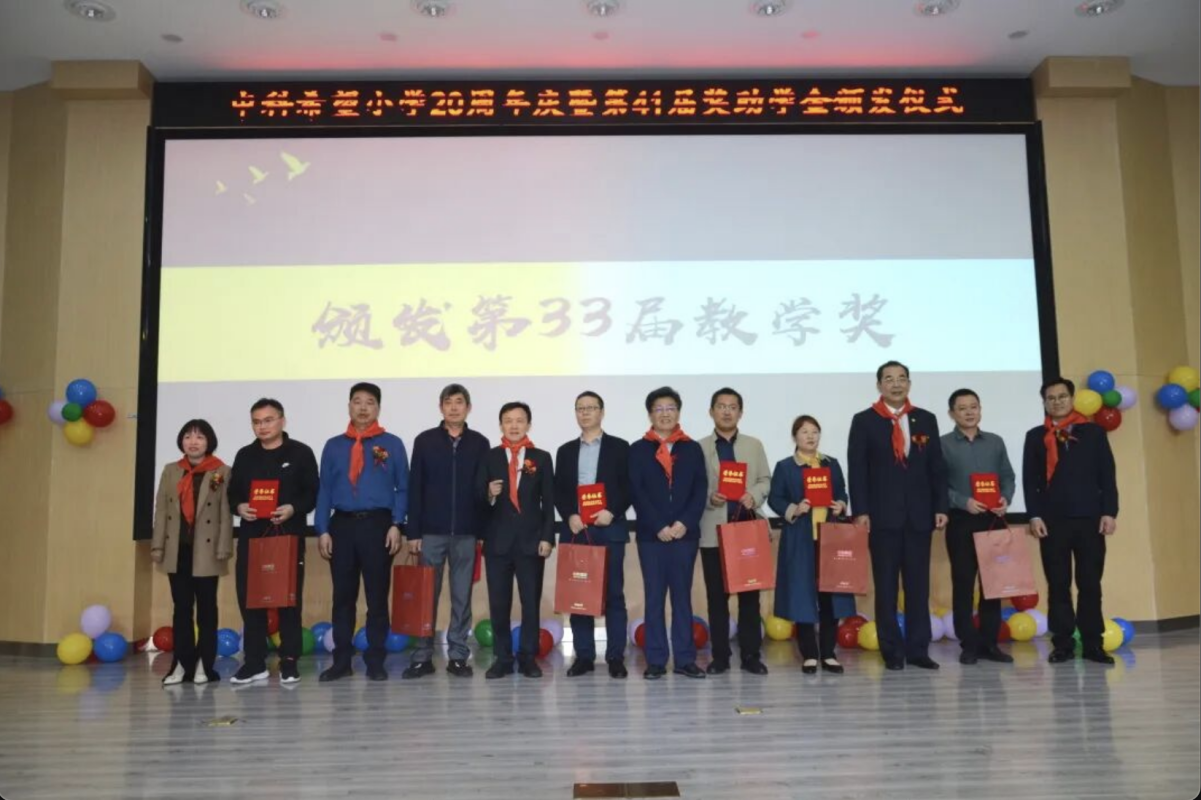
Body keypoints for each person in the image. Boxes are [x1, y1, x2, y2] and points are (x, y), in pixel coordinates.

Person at [848, 361, 948, 671]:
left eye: (901, 378)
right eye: (889, 379)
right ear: (879, 385)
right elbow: (857, 470)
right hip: (882, 518)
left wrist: (940, 506)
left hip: (919, 517)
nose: (896, 384)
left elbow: (936, 467)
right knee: (886, 587)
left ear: (909, 384)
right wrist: (861, 511)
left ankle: (918, 650)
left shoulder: (925, 419)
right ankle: (891, 650)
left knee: (918, 587)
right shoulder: (864, 420)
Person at [314, 382, 409, 682]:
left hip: (378, 525)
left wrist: (396, 523)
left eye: (370, 402)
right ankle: (341, 661)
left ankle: (375, 660)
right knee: (343, 597)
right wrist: (322, 529)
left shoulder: (392, 444)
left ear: (378, 408)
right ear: (349, 406)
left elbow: (403, 487)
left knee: (377, 597)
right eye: (357, 401)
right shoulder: (333, 445)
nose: (363, 407)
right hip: (341, 526)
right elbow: (324, 489)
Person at [1022, 377, 1119, 665]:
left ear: (1072, 398)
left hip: (1090, 520)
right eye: (1051, 398)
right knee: (1058, 585)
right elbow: (1030, 481)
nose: (1057, 402)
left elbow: (1107, 475)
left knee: (1090, 584)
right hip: (1052, 523)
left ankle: (1093, 644)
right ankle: (1062, 643)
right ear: (1044, 402)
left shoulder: (1093, 433)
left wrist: (1109, 512)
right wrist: (1034, 515)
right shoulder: (1035, 436)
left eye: (1062, 396)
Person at [227, 398, 319, 685]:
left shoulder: (301, 453)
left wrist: (293, 508)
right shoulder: (245, 455)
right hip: (252, 537)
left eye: (268, 420)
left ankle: (289, 660)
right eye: (256, 422)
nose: (262, 427)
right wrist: (240, 507)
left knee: (288, 600)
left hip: (287, 536)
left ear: (282, 420)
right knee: (250, 599)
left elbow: (312, 493)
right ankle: (254, 662)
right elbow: (232, 494)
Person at [403, 383, 490, 680]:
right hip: (430, 533)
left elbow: (482, 490)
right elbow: (415, 488)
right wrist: (413, 532)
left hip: (466, 533)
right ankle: (422, 657)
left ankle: (458, 656)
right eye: (448, 402)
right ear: (440, 407)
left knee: (462, 597)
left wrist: (481, 531)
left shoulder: (480, 443)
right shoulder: (425, 440)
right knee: (425, 596)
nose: (454, 407)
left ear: (468, 407)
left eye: (459, 402)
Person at [628, 387, 708, 680]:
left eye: (670, 408)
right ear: (650, 414)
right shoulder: (638, 449)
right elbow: (636, 491)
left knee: (682, 598)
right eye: (659, 409)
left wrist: (684, 523)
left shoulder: (691, 448)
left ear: (678, 412)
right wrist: (658, 525)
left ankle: (685, 659)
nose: (665, 414)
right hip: (652, 537)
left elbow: (700, 489)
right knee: (654, 598)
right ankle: (656, 660)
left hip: (685, 536)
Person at [768, 415, 856, 674]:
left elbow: (841, 491)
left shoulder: (831, 464)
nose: (810, 436)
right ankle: (809, 654)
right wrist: (795, 508)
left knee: (831, 597)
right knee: (802, 596)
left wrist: (841, 504)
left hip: (830, 539)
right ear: (795, 436)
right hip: (800, 539)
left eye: (815, 432)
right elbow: (775, 498)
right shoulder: (785, 467)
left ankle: (828, 653)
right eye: (804, 432)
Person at [554, 391, 632, 679]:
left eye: (591, 408)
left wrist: (612, 510)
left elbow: (629, 487)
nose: (585, 412)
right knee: (579, 595)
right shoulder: (565, 451)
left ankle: (615, 657)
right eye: (580, 408)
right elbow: (559, 491)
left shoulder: (620, 447)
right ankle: (584, 656)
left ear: (602, 412)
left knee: (614, 596)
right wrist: (569, 515)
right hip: (577, 530)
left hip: (609, 528)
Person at [151, 419, 233, 686]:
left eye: (199, 437)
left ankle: (203, 665)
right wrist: (158, 545)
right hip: (178, 551)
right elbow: (161, 510)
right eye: (188, 436)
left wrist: (224, 546)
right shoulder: (171, 470)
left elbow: (224, 512)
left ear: (209, 442)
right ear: (181, 441)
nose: (193, 442)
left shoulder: (221, 471)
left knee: (207, 609)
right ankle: (180, 663)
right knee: (181, 609)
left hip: (207, 552)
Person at [477, 402, 555, 679]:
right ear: (501, 425)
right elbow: (477, 499)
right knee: (499, 604)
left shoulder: (541, 458)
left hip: (531, 542)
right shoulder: (490, 457)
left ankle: (528, 657)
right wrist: (489, 493)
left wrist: (548, 538)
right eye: (508, 420)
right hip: (497, 543)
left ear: (528, 425)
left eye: (519, 420)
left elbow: (549, 502)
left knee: (530, 603)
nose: (514, 425)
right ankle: (502, 658)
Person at [697, 387, 771, 676]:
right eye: (721, 406)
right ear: (711, 411)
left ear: (740, 412)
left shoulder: (754, 445)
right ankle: (720, 656)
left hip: (746, 530)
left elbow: (765, 479)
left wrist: (754, 494)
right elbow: (694, 487)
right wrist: (710, 497)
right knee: (717, 598)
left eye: (732, 407)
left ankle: (751, 655)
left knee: (750, 598)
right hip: (713, 532)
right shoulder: (699, 448)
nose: (726, 411)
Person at [941, 389, 1016, 666]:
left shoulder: (995, 442)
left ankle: (990, 644)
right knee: (963, 584)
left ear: (980, 409)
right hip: (962, 521)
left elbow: (1007, 476)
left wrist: (1005, 497)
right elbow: (937, 484)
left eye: (974, 406)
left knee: (992, 586)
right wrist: (963, 501)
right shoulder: (943, 445)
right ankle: (969, 644)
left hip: (992, 521)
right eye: (962, 408)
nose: (969, 412)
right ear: (952, 414)